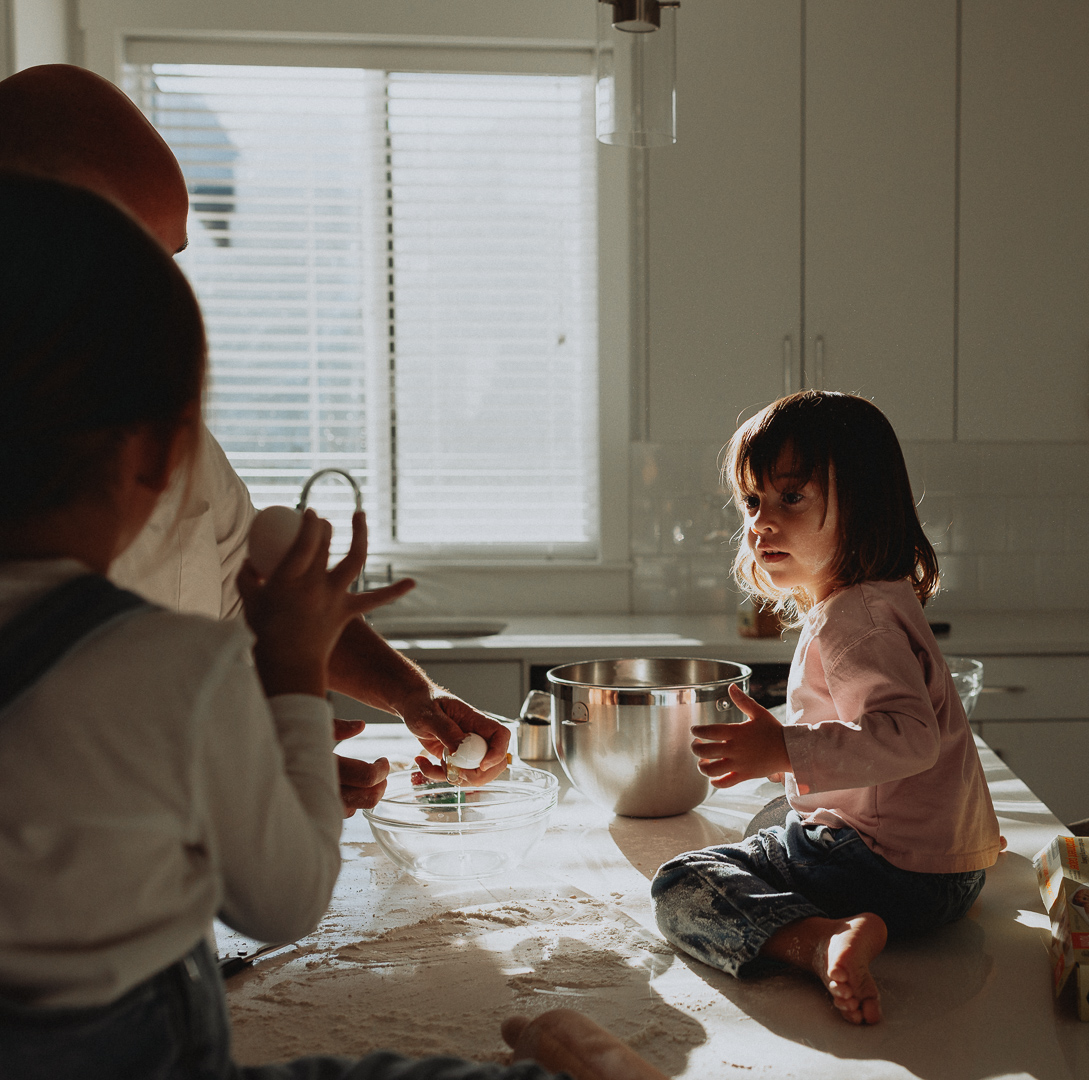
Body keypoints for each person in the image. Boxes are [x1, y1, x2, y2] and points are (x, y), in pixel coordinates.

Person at [0, 171, 673, 1080]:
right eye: (145, 253)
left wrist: (412, 697)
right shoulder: (173, 661)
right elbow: (283, 900)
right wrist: (282, 722)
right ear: (161, 449)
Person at [0, 63, 510, 808]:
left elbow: (262, 597)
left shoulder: (151, 416)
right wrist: (232, 772)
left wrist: (412, 697)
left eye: (170, 262)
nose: (162, 299)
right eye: (133, 260)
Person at [649, 391, 1001, 1026]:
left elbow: (911, 739)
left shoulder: (853, 622)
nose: (760, 522)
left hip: (894, 875)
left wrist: (785, 750)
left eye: (791, 498)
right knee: (771, 815)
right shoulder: (880, 601)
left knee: (683, 882)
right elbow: (912, 739)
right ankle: (870, 910)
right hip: (953, 872)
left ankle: (821, 940)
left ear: (861, 506)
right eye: (752, 502)